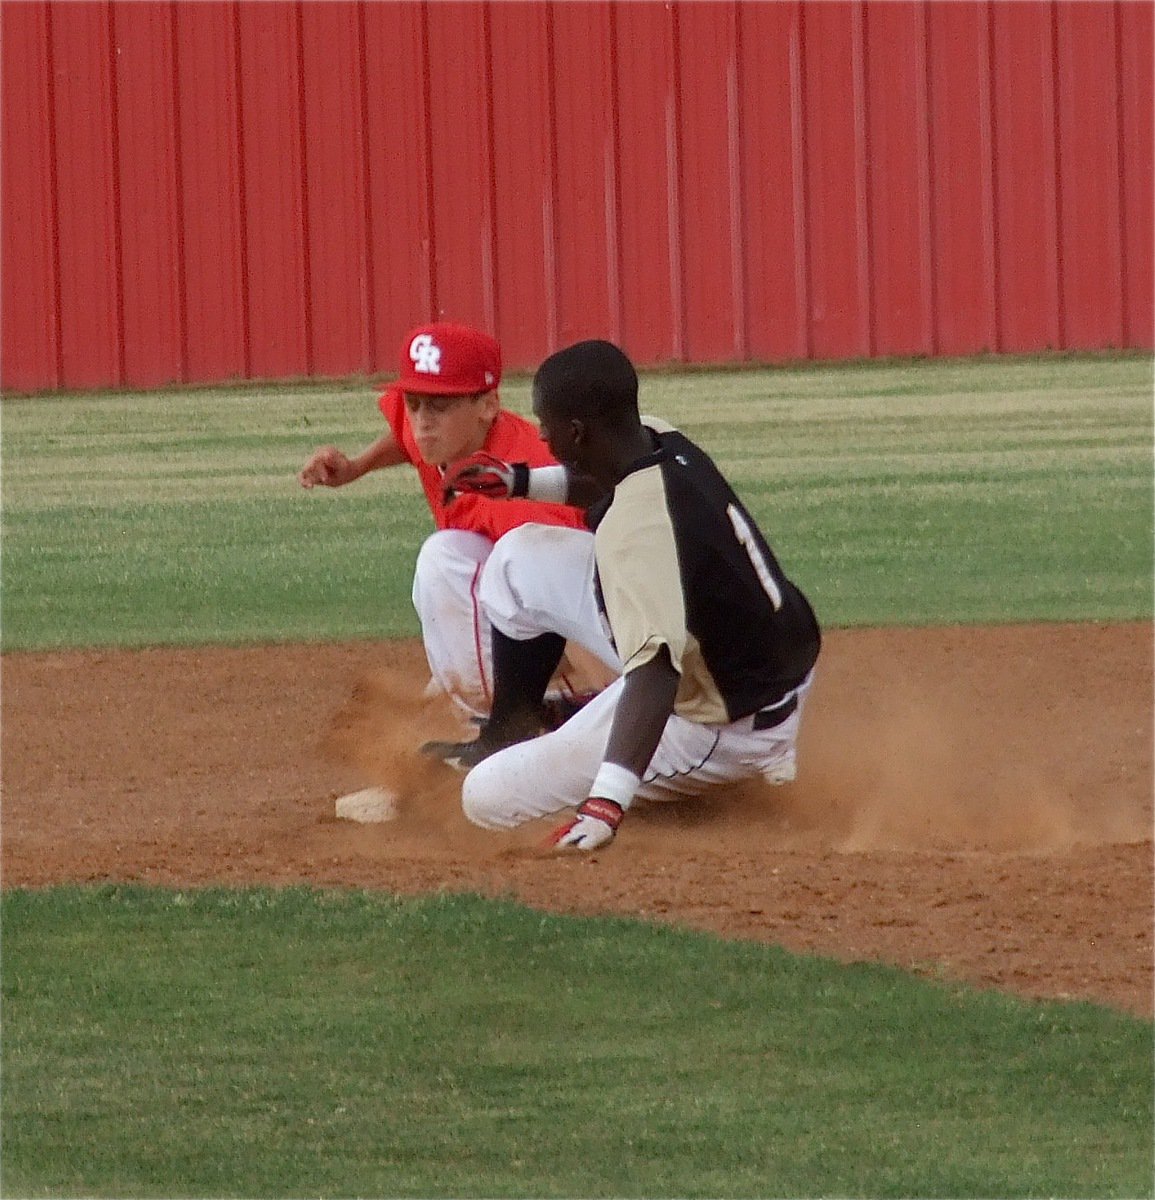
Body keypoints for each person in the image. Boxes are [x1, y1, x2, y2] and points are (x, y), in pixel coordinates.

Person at [440, 339, 821, 851]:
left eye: (546, 425)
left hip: (722, 719)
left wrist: (606, 803)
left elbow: (656, 673)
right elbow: (600, 479)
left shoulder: (636, 534)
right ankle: (513, 727)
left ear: (577, 432)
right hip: (751, 649)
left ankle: (720, 786)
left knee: (485, 797)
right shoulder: (659, 437)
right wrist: (519, 481)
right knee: (517, 560)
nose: (540, 435)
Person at [298, 322, 605, 742]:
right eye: (415, 403)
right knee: (447, 561)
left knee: (453, 560)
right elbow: (405, 439)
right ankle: (475, 710)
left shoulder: (528, 487)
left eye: (439, 406)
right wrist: (355, 467)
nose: (423, 422)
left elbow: (581, 596)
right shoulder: (441, 435)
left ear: (488, 405)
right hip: (527, 603)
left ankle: (538, 718)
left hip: (604, 622)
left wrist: (582, 686)